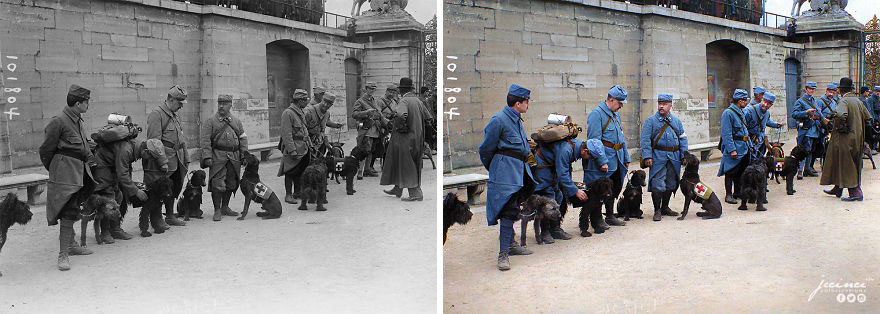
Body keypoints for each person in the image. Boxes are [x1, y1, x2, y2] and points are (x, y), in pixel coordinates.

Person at [478, 84, 535, 271]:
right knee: (507, 212)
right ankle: (503, 255)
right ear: (518, 103)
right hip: (505, 173)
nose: (528, 105)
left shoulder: (516, 119)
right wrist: (496, 169)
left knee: (512, 209)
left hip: (519, 170)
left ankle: (511, 245)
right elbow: (485, 150)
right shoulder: (499, 121)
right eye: (526, 102)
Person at [39, 84, 97, 271]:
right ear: (78, 103)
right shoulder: (58, 121)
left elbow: (83, 145)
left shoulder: (78, 120)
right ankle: (63, 254)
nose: (89, 104)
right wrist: (56, 169)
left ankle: (71, 245)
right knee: (67, 211)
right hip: (65, 174)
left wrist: (90, 159)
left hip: (80, 171)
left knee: (72, 209)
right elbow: (46, 150)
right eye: (87, 101)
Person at [533, 138, 605, 240]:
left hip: (551, 166)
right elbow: (563, 174)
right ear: (584, 151)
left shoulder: (576, 146)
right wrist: (575, 191)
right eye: (590, 156)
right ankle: (545, 232)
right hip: (543, 167)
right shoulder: (566, 150)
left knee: (559, 196)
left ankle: (555, 228)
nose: (589, 159)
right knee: (548, 197)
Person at [142, 85, 190, 236]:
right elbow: (153, 142)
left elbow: (181, 138)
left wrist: (186, 157)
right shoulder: (157, 114)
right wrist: (162, 161)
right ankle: (156, 219)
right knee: (158, 191)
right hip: (163, 160)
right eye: (179, 103)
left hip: (177, 157)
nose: (181, 106)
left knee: (174, 188)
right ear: (170, 99)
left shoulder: (174, 114)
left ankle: (169, 215)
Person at [91, 122, 148, 242]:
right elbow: (123, 174)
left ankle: (115, 229)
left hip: (110, 167)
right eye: (148, 156)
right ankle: (105, 232)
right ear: (145, 151)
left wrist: (131, 186)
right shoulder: (127, 150)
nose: (146, 159)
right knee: (108, 197)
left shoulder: (132, 147)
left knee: (119, 195)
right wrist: (136, 191)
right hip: (102, 166)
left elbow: (126, 170)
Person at [584, 85, 630, 227]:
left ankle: (609, 215)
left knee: (613, 189)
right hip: (604, 160)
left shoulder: (616, 115)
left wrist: (626, 158)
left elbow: (621, 138)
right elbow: (594, 141)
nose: (621, 106)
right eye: (619, 102)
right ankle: (597, 219)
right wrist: (602, 161)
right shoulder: (596, 115)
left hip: (617, 158)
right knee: (599, 191)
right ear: (611, 99)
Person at [821, 77, 872, 201]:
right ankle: (838, 188)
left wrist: (841, 127)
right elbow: (868, 117)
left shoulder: (843, 101)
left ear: (840, 90)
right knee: (847, 162)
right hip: (857, 137)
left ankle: (855, 193)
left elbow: (840, 115)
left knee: (846, 163)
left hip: (844, 138)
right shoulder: (858, 101)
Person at [380, 77, 430, 201]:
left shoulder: (404, 101)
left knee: (406, 164)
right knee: (403, 162)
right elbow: (428, 117)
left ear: (401, 90)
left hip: (404, 138)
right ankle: (398, 188)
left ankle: (415, 193)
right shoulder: (418, 101)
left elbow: (402, 115)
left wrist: (401, 127)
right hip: (417, 137)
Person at [640, 93, 688, 221]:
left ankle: (665, 207)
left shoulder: (676, 122)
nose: (661, 106)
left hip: (674, 157)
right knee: (657, 184)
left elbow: (683, 139)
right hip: (658, 157)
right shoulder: (650, 121)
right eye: (659, 104)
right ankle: (657, 210)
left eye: (664, 104)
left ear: (670, 105)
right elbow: (645, 140)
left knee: (671, 183)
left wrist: (684, 155)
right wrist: (647, 156)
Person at [200, 94, 248, 221]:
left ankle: (225, 207)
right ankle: (217, 210)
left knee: (231, 183)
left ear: (230, 105)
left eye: (225, 104)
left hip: (234, 157)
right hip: (218, 157)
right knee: (217, 184)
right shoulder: (211, 121)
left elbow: (243, 138)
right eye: (219, 103)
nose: (221, 106)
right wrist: (207, 157)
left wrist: (244, 155)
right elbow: (205, 141)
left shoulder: (236, 121)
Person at [717, 89, 752, 204]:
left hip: (744, 147)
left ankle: (738, 192)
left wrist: (750, 145)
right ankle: (728, 195)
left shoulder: (741, 111)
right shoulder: (728, 113)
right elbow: (726, 133)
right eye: (745, 100)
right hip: (735, 147)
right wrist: (732, 150)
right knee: (730, 172)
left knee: (741, 171)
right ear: (739, 101)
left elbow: (745, 130)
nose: (746, 103)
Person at [277, 89, 311, 204]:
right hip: (294, 148)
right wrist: (292, 150)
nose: (307, 102)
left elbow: (304, 129)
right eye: (305, 100)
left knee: (300, 171)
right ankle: (288, 195)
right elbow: (286, 134)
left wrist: (309, 144)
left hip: (303, 147)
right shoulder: (288, 113)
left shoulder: (300, 111)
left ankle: (297, 192)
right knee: (290, 171)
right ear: (300, 100)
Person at [352, 82, 385, 179]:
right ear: (366, 89)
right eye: (370, 88)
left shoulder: (375, 101)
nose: (372, 90)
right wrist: (366, 112)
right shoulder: (360, 101)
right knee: (363, 150)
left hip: (375, 129)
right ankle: (360, 171)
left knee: (371, 150)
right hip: (366, 129)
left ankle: (367, 169)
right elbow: (354, 114)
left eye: (374, 88)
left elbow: (379, 113)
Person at [791, 82, 822, 179]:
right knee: (803, 150)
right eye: (810, 89)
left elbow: (818, 112)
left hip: (814, 129)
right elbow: (794, 114)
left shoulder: (814, 100)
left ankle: (807, 169)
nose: (811, 90)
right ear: (806, 89)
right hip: (805, 129)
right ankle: (800, 170)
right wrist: (806, 112)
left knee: (811, 150)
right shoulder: (800, 101)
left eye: (813, 89)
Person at [744, 91, 784, 157]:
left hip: (760, 141)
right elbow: (742, 127)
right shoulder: (749, 111)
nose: (765, 105)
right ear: (761, 99)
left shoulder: (767, 113)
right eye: (764, 101)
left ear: (771, 105)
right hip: (749, 142)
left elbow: (767, 121)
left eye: (769, 104)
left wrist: (776, 125)